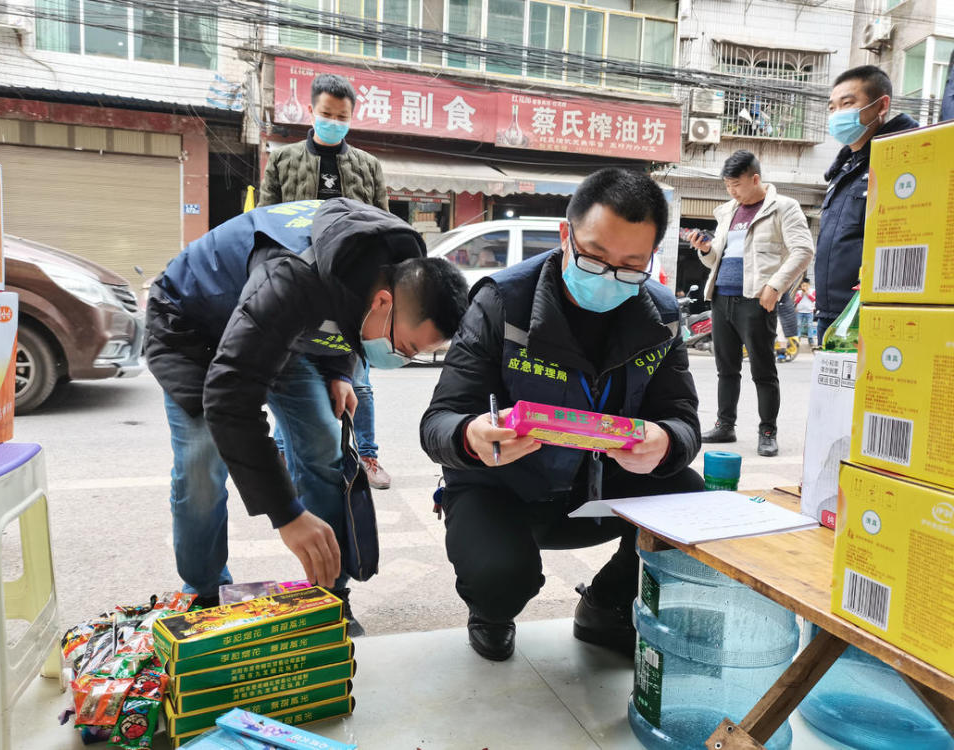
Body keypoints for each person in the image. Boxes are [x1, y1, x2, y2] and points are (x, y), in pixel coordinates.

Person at [145, 198, 469, 635]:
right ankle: (203, 592)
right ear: (384, 301)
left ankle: (329, 593)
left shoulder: (388, 266)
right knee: (202, 462)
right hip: (194, 325)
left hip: (281, 332)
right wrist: (287, 514)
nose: (401, 359)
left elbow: (348, 312)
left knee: (321, 440)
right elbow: (230, 399)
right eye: (406, 348)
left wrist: (341, 371)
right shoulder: (291, 279)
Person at [420, 169, 703, 663]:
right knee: (499, 576)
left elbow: (682, 417)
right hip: (506, 487)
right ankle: (491, 611)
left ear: (652, 256)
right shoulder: (502, 302)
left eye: (631, 266)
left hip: (604, 487)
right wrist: (472, 436)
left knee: (692, 503)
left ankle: (606, 605)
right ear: (565, 235)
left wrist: (666, 441)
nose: (608, 276)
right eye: (593, 256)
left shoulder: (661, 316)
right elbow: (439, 420)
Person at [260, 73, 393, 491]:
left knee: (360, 383)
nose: (333, 122)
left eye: (341, 116)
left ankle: (367, 455)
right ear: (311, 111)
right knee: (289, 372)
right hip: (296, 284)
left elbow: (384, 227)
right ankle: (285, 456)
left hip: (352, 287)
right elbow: (265, 222)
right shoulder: (283, 161)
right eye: (326, 114)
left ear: (352, 116)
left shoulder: (368, 166)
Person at [689, 151, 813, 457]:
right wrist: (705, 250)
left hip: (756, 300)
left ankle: (767, 431)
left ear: (755, 178)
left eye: (736, 184)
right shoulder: (728, 211)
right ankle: (725, 425)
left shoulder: (784, 207)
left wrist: (775, 286)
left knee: (763, 370)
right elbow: (716, 259)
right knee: (726, 369)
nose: (731, 191)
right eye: (727, 185)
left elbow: (803, 250)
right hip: (721, 298)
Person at [815, 65, 918, 342]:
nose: (837, 114)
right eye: (832, 108)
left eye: (847, 104)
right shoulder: (845, 168)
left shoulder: (904, 160)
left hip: (870, 311)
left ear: (881, 105)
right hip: (831, 311)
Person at [795, 279, 816, 348]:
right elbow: (796, 301)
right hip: (800, 311)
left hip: (809, 311)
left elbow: (813, 299)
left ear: (809, 285)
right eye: (803, 286)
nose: (804, 287)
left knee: (810, 325)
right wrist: (801, 295)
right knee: (798, 325)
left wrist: (807, 293)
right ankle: (798, 337)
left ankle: (810, 338)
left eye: (806, 285)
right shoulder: (799, 292)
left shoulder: (813, 291)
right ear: (801, 286)